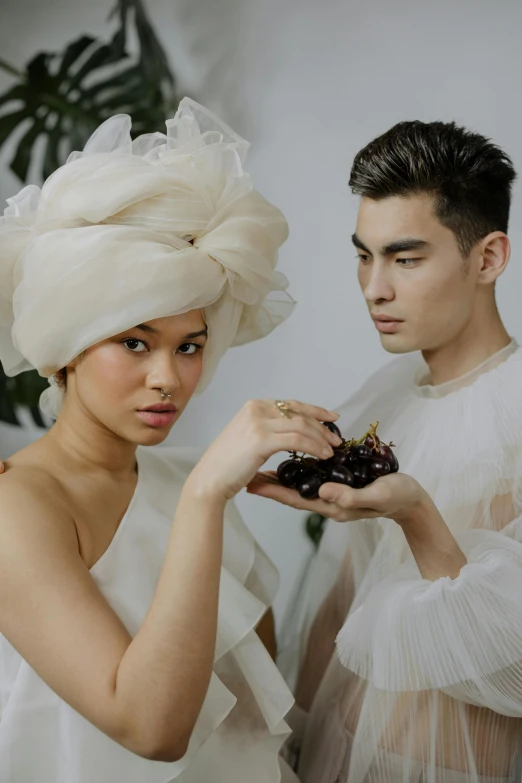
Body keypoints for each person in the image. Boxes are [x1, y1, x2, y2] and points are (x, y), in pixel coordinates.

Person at [0, 98, 347, 783]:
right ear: (65, 347)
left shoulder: (189, 482)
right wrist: (204, 496)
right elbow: (152, 729)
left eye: (190, 345)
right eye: (135, 342)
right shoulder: (19, 506)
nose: (169, 378)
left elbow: (259, 725)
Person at [249, 121, 522, 781]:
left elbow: (511, 668)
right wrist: (294, 742)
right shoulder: (391, 398)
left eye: (404, 258)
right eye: (363, 256)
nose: (374, 288)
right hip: (336, 752)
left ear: (487, 259)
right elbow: (341, 604)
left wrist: (416, 514)